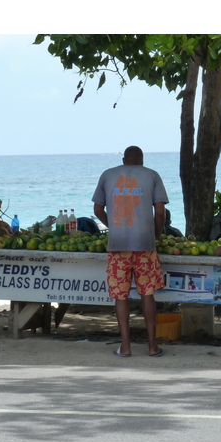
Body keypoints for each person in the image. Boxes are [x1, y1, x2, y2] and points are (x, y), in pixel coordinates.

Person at [92, 145, 168, 357]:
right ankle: (153, 346)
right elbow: (160, 212)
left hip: (118, 246)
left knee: (120, 295)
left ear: (124, 160)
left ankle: (125, 347)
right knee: (147, 294)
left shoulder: (108, 175)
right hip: (145, 245)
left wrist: (113, 226)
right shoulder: (152, 175)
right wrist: (157, 233)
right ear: (142, 160)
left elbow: (97, 209)